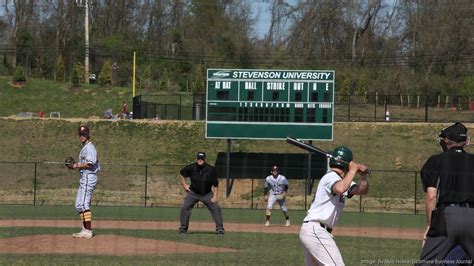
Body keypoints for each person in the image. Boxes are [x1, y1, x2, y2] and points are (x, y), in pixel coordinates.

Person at [299, 146, 369, 265]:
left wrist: (363, 177)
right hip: (316, 230)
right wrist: (352, 170)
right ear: (347, 164)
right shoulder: (330, 176)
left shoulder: (341, 179)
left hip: (316, 232)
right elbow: (340, 188)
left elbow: (361, 190)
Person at [419, 123, 473, 263]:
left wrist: (430, 225)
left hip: (447, 216)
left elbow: (431, 197)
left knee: (427, 262)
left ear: (447, 140)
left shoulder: (436, 160)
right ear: (466, 141)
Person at [178, 151, 225, 235]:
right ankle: (183, 229)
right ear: (196, 159)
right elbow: (181, 174)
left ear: (205, 159)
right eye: (198, 158)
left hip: (207, 194)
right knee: (185, 208)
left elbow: (216, 185)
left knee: (216, 208)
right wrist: (185, 186)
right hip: (193, 193)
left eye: (202, 159)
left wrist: (215, 197)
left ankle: (220, 229)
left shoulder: (211, 169)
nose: (200, 160)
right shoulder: (191, 168)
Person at [71, 125, 100, 239]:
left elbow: (90, 163)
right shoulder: (85, 148)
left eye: (84, 134)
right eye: (80, 134)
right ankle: (85, 229)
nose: (82, 136)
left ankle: (88, 230)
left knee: (83, 204)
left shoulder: (90, 148)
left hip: (89, 176)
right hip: (84, 177)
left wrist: (76, 165)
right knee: (79, 204)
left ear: (88, 135)